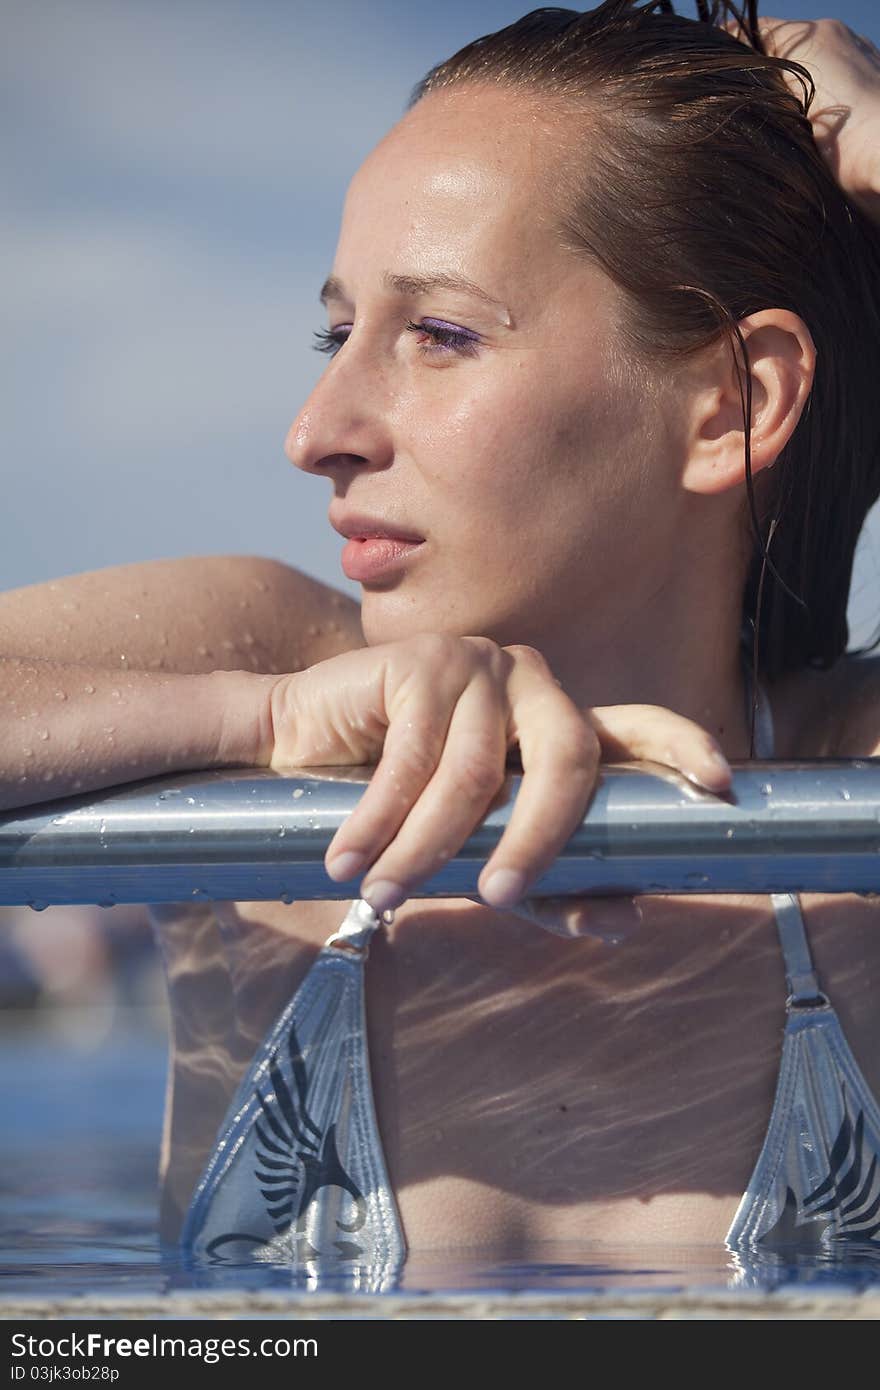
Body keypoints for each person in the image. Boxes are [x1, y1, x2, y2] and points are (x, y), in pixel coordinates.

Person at [2, 2, 880, 1262]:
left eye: (441, 334)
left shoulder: (850, 779)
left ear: (730, 404)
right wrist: (262, 723)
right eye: (337, 328)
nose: (317, 428)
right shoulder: (261, 662)